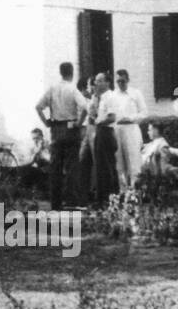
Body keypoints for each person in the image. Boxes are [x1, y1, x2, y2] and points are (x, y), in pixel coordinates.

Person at [35, 62, 87, 209]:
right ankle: (71, 201)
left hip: (56, 130)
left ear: (60, 72)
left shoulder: (52, 89)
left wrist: (46, 123)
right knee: (71, 167)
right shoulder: (73, 89)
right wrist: (79, 122)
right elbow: (84, 107)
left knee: (55, 167)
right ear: (72, 73)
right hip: (70, 128)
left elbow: (38, 107)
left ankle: (55, 203)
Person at [105, 69, 146, 190]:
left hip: (131, 130)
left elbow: (144, 113)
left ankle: (135, 194)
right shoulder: (112, 95)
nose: (120, 84)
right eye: (118, 81)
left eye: (122, 81)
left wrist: (130, 119)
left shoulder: (135, 93)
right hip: (117, 131)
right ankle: (123, 195)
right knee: (119, 164)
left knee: (134, 163)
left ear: (127, 80)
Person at [83, 72, 118, 208]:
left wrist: (98, 121)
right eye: (95, 81)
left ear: (107, 83)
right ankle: (104, 198)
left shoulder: (110, 97)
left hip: (106, 132)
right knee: (101, 166)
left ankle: (106, 200)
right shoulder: (101, 98)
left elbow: (112, 117)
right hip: (100, 131)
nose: (95, 84)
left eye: (99, 81)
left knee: (105, 167)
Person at [18, 128, 51, 194]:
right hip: (41, 170)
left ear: (41, 137)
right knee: (24, 169)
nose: (35, 140)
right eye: (33, 138)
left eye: (37, 138)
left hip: (48, 172)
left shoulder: (47, 145)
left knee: (29, 170)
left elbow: (50, 159)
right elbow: (31, 161)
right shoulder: (34, 147)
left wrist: (40, 151)